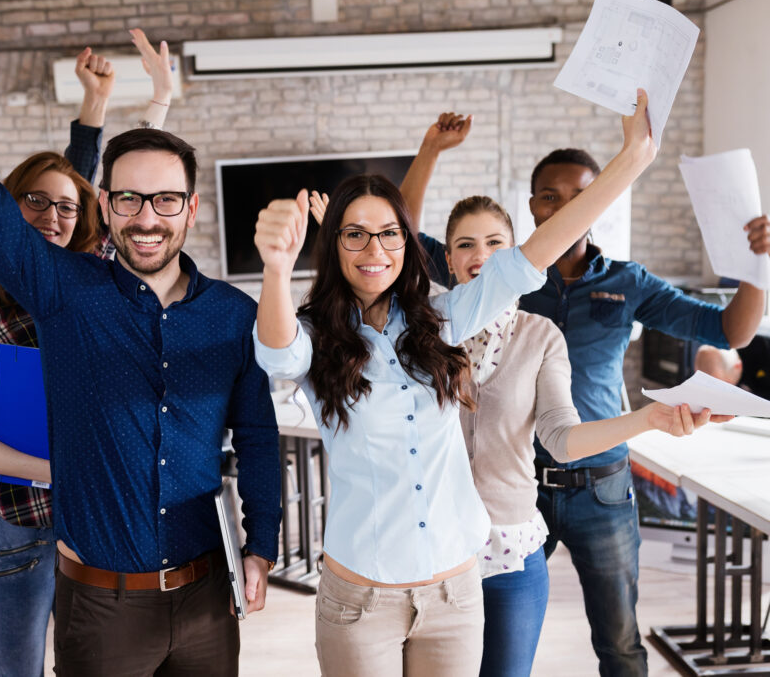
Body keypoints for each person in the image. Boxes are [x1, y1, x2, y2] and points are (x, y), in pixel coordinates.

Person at [0, 0, 281, 675]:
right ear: (105, 207)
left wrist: (264, 543)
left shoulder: (232, 313)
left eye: (166, 199)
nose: (147, 217)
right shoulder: (64, 291)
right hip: (101, 609)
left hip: (206, 602)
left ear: (191, 209)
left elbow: (257, 435)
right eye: (129, 199)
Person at [252, 90, 656, 674]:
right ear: (333, 244)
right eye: (355, 234)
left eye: (390, 233)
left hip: (454, 592)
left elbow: (531, 256)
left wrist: (634, 158)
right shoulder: (316, 335)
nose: (376, 249)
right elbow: (277, 356)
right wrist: (274, 267)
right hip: (362, 596)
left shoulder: (442, 320)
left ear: (407, 245)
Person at [0, 37, 173, 677]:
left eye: (66, 207)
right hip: (21, 532)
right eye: (35, 201)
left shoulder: (94, 283)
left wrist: (159, 102)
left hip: (96, 530)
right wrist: (52, 469)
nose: (53, 215)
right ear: (8, 209)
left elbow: (128, 196)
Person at [441, 195, 727, 677]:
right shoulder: (424, 329)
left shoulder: (540, 335)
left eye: (495, 243)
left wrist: (648, 418)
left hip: (511, 551)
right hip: (436, 551)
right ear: (447, 258)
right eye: (465, 244)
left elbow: (561, 435)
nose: (480, 255)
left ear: (518, 256)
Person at [512, 149, 769, 676]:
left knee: (620, 643)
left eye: (581, 195)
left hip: (601, 488)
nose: (564, 207)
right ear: (533, 206)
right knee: (507, 638)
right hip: (517, 486)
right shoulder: (506, 276)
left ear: (600, 203)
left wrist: (758, 266)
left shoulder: (629, 282)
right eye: (550, 196)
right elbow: (423, 251)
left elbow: (729, 332)